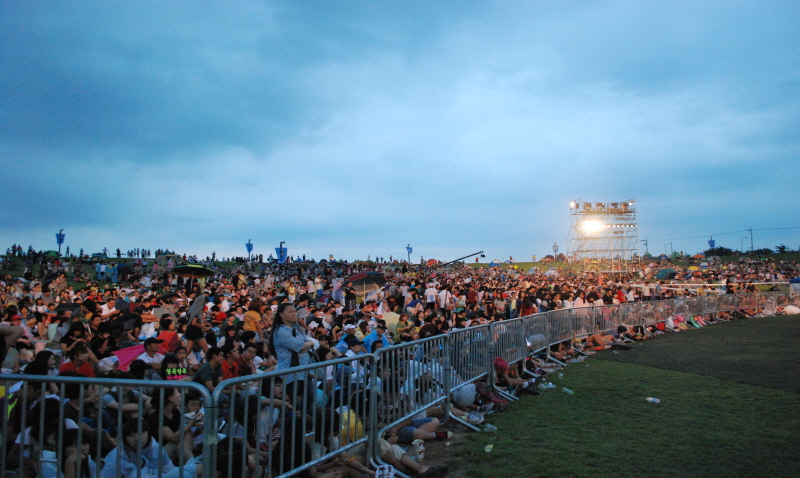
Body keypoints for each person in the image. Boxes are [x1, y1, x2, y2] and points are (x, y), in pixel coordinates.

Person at [268, 302, 314, 406]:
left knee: (309, 398)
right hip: (290, 373)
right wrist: (310, 344)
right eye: (290, 312)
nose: (294, 314)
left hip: (303, 370)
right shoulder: (281, 331)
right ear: (281, 314)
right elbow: (301, 347)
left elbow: (305, 342)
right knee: (293, 401)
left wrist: (308, 344)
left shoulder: (295, 328)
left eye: (294, 311)